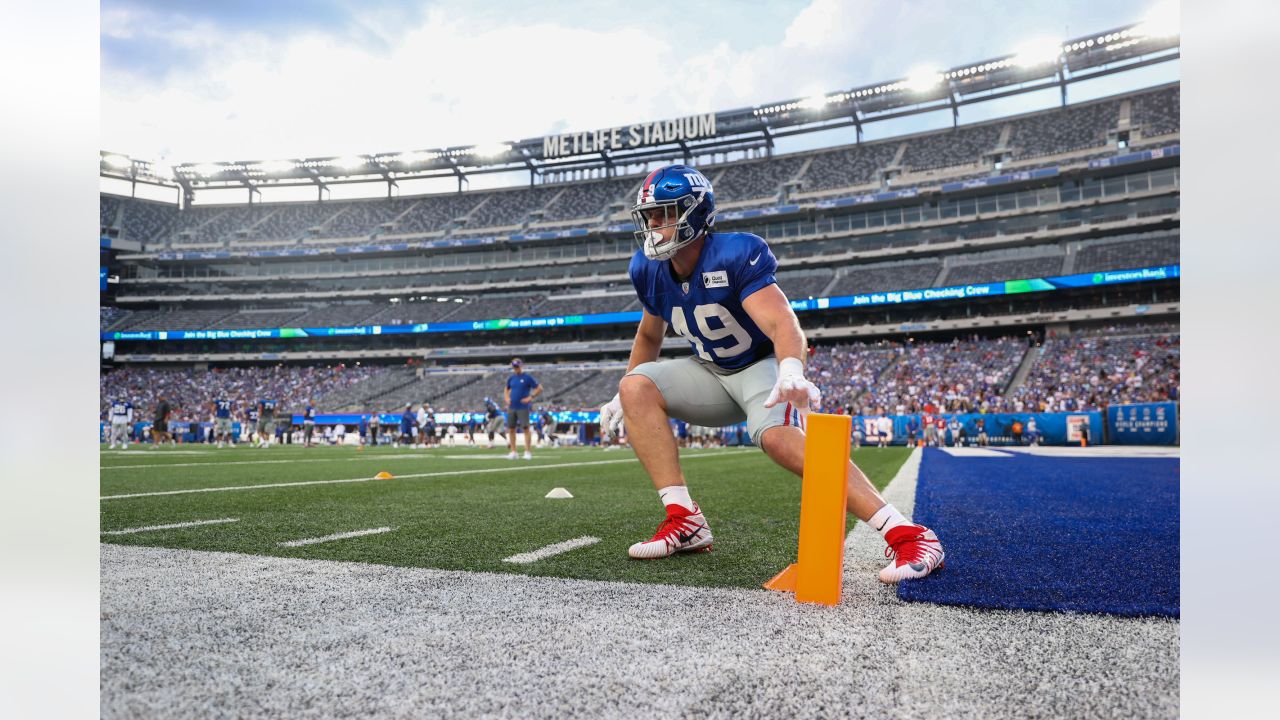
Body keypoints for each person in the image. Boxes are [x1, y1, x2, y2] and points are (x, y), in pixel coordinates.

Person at [598, 163, 943, 582]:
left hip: (759, 367)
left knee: (778, 439)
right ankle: (685, 521)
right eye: (648, 216)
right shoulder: (647, 269)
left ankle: (909, 534)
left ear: (694, 213)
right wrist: (625, 391)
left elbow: (782, 321)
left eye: (663, 214)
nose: (653, 224)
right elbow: (649, 337)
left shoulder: (736, 253)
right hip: (709, 371)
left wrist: (791, 369)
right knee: (635, 386)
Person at [505, 358, 543, 460]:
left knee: (526, 428)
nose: (516, 369)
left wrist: (530, 397)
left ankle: (527, 452)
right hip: (512, 407)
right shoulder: (511, 378)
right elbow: (507, 389)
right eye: (514, 367)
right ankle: (513, 452)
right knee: (511, 429)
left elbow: (539, 388)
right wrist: (507, 398)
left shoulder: (527, 378)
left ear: (521, 366)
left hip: (523, 407)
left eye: (517, 367)